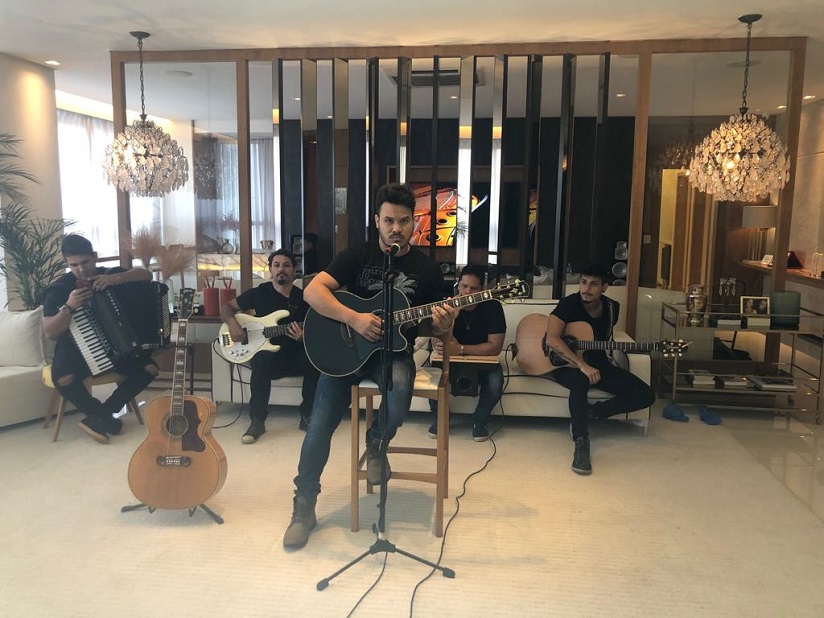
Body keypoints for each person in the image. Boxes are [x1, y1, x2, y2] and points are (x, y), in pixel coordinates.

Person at [282, 182, 456, 549]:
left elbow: (433, 326)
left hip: (393, 353)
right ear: (377, 220)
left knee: (399, 395)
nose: (397, 228)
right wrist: (355, 318)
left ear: (414, 222)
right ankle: (304, 506)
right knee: (318, 428)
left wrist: (444, 323)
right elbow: (312, 292)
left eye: (404, 221)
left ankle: (377, 442)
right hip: (345, 352)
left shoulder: (427, 269)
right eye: (389, 220)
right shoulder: (357, 255)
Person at [42, 234, 158, 444]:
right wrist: (68, 307)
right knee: (63, 378)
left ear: (95, 256)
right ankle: (103, 417)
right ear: (67, 263)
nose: (81, 269)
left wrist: (116, 279)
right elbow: (50, 332)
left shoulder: (110, 273)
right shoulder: (59, 289)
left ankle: (101, 416)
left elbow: (146, 275)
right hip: (75, 347)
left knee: (149, 369)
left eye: (85, 262)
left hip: (118, 344)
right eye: (74, 265)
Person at [545, 262, 655, 475]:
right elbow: (552, 339)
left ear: (605, 287)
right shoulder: (568, 304)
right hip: (565, 363)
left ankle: (592, 412)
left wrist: (592, 364)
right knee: (581, 381)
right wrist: (582, 365)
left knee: (646, 394)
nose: (586, 289)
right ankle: (581, 440)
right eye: (583, 282)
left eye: (594, 284)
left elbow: (603, 339)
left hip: (598, 362)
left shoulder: (612, 308)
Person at [220, 249, 320, 443]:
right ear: (270, 270)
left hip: (295, 355)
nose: (281, 269)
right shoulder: (259, 293)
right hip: (269, 358)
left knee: (316, 360)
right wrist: (233, 324)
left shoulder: (304, 298)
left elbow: (316, 329)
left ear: (294, 270)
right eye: (277, 265)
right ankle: (257, 421)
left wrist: (304, 338)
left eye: (286, 265)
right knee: (261, 359)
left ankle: (307, 416)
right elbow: (226, 307)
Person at [428, 264, 506, 441]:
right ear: (458, 285)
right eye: (464, 286)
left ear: (482, 289)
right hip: (451, 361)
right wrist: (450, 321)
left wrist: (460, 349)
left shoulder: (493, 306)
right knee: (432, 375)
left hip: (482, 360)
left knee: (495, 381)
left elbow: (495, 346)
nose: (467, 292)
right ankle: (440, 417)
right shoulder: (447, 304)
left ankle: (480, 420)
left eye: (473, 288)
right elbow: (436, 340)